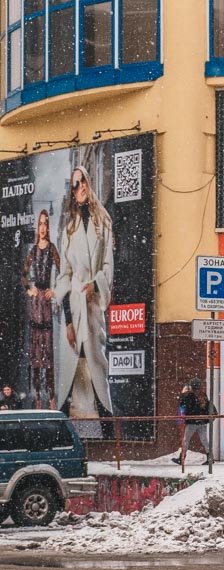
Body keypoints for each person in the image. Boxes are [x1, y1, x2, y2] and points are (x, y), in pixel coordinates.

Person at [54, 165, 114, 421]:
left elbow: (108, 264)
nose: (80, 188)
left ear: (89, 183)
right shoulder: (69, 230)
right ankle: (69, 427)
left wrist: (97, 284)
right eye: (75, 185)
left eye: (82, 182)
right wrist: (68, 321)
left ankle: (106, 426)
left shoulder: (104, 223)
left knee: (95, 364)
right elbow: (64, 277)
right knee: (72, 368)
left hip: (93, 308)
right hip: (74, 307)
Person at [21, 210, 60, 409]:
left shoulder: (52, 248)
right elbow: (23, 276)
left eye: (45, 224)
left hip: (45, 304)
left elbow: (63, 272)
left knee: (48, 356)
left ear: (48, 227)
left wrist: (54, 291)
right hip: (35, 304)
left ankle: (51, 399)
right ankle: (37, 398)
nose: (42, 228)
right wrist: (30, 289)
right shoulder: (33, 251)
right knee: (36, 355)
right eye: (40, 224)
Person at [172, 378, 215, 464]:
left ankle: (182, 458)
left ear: (191, 386)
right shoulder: (203, 395)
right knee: (204, 440)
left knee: (186, 440)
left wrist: (183, 393)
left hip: (192, 422)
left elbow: (182, 404)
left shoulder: (189, 396)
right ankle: (210, 458)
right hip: (202, 421)